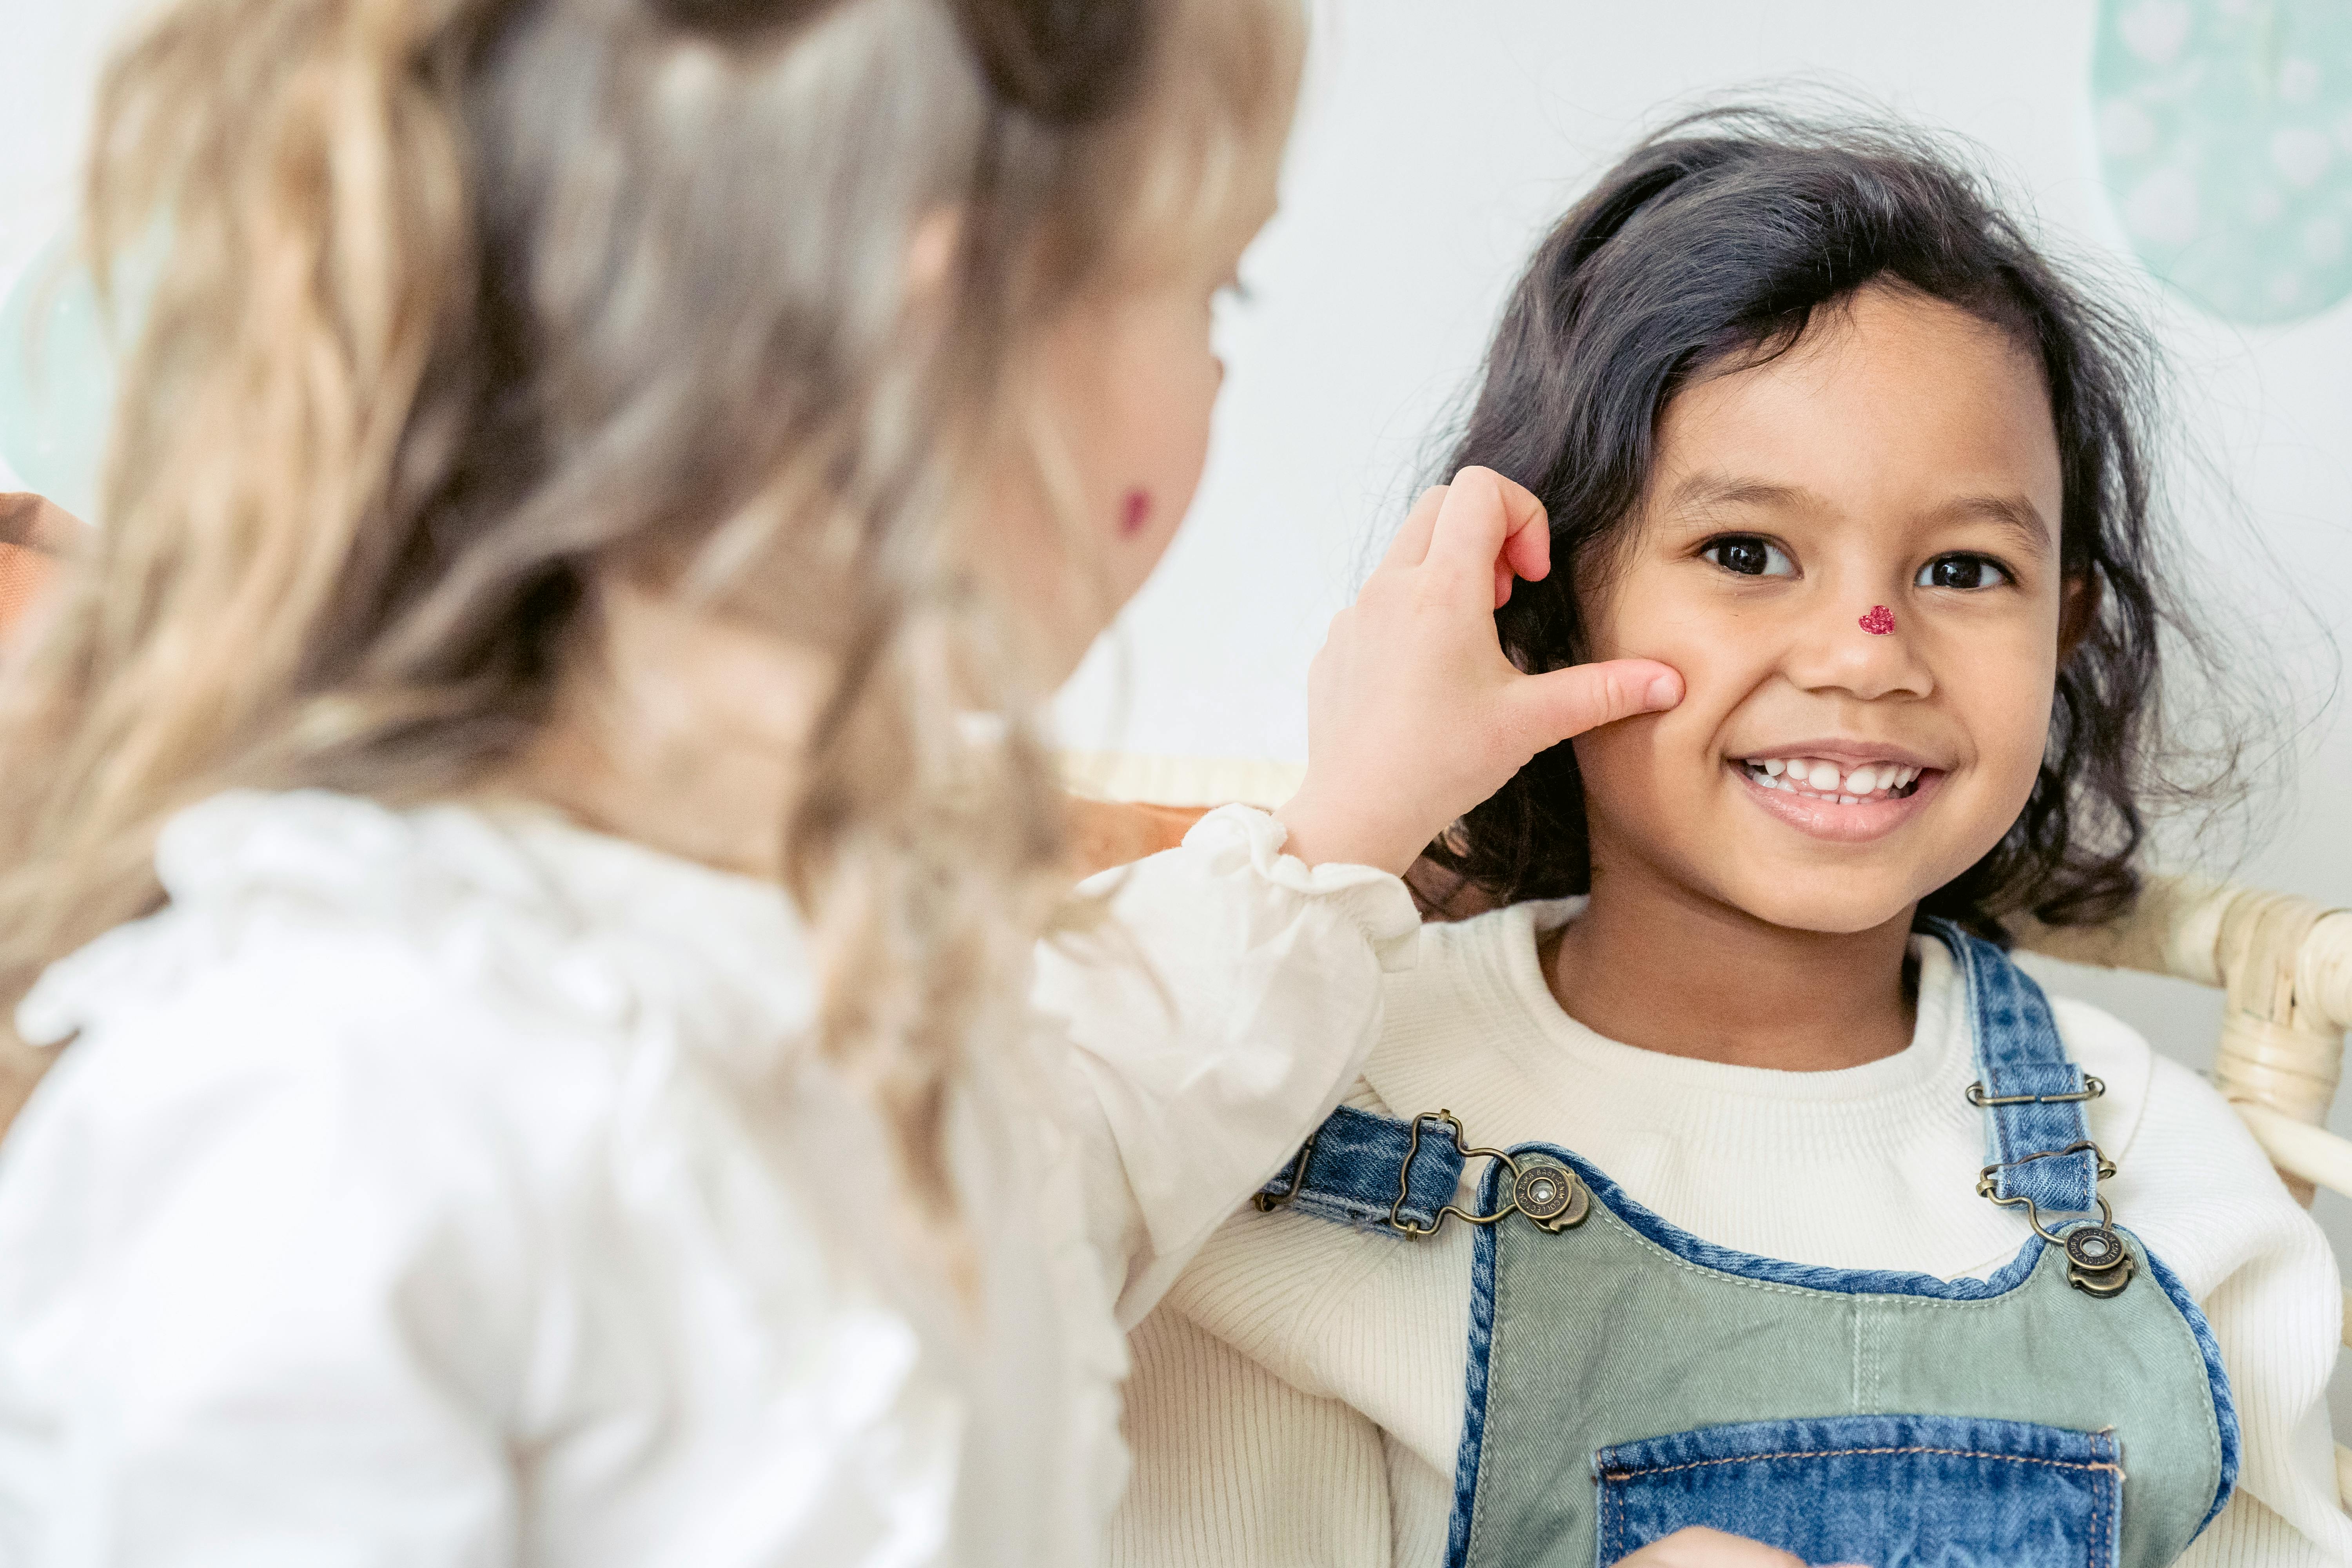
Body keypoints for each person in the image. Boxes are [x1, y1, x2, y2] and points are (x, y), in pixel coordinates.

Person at [0, 0, 1693, 1562]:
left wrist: (1355, 820)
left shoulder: (816, 975)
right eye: (1211, 291)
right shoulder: (326, 1104)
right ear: (951, 325)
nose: (1220, 379)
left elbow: (1071, 1142)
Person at [1111, 112, 2352, 1568]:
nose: (1866, 653)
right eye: (1747, 553)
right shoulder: (1317, 1125)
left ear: (2064, 624)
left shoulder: (2166, 1183)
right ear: (1555, 592)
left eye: (1964, 569)